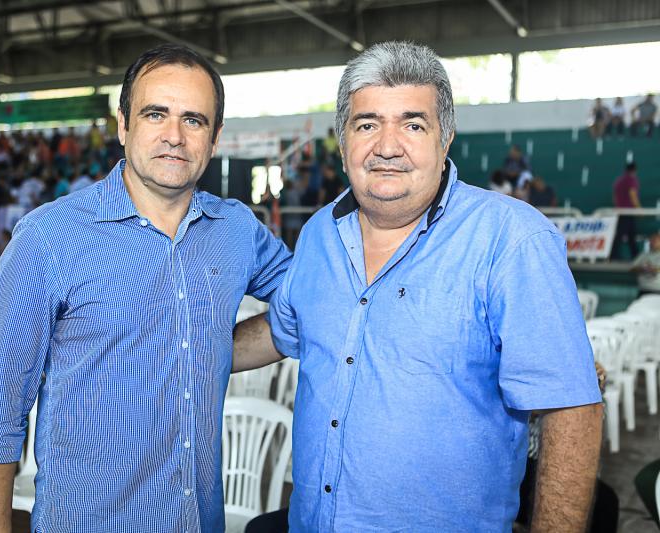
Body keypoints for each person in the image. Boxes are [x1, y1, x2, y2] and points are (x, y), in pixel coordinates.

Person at [249, 41, 603, 532]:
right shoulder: (318, 234)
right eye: (367, 124)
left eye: (413, 125)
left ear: (446, 138)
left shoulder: (511, 240)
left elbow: (572, 409)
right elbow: (282, 329)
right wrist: (188, 347)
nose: (387, 146)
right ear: (343, 141)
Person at [0, 44, 291, 533]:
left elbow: (308, 302)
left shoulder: (236, 229)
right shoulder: (48, 238)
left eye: (194, 120)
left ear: (215, 137)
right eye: (155, 114)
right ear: (123, 125)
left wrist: (216, 348)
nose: (174, 135)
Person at [611, 162, 641, 260]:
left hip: (620, 211)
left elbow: (615, 197)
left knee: (630, 234)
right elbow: (633, 194)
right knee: (622, 235)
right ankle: (613, 255)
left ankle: (635, 255)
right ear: (635, 170)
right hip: (628, 212)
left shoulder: (619, 181)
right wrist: (639, 209)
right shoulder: (631, 180)